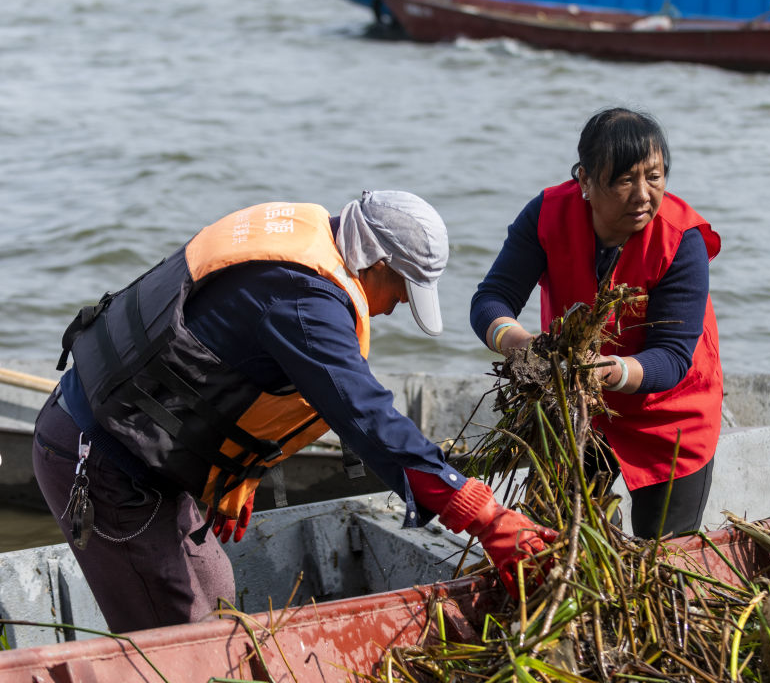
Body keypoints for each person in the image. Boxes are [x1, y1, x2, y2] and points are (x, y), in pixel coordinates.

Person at [33, 191, 556, 634]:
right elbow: (368, 419)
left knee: (217, 588)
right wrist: (485, 516)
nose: (397, 306)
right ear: (376, 263)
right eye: (402, 290)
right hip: (102, 462)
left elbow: (227, 349)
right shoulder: (304, 300)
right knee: (179, 637)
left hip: (136, 442)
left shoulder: (301, 242)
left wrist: (236, 470)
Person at [470, 108, 723, 540]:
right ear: (585, 180)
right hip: (579, 409)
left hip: (670, 414)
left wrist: (605, 371)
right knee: (554, 534)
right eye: (624, 180)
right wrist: (524, 346)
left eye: (655, 177)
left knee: (662, 554)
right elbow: (491, 300)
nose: (642, 195)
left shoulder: (681, 238)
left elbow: (672, 357)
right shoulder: (548, 214)